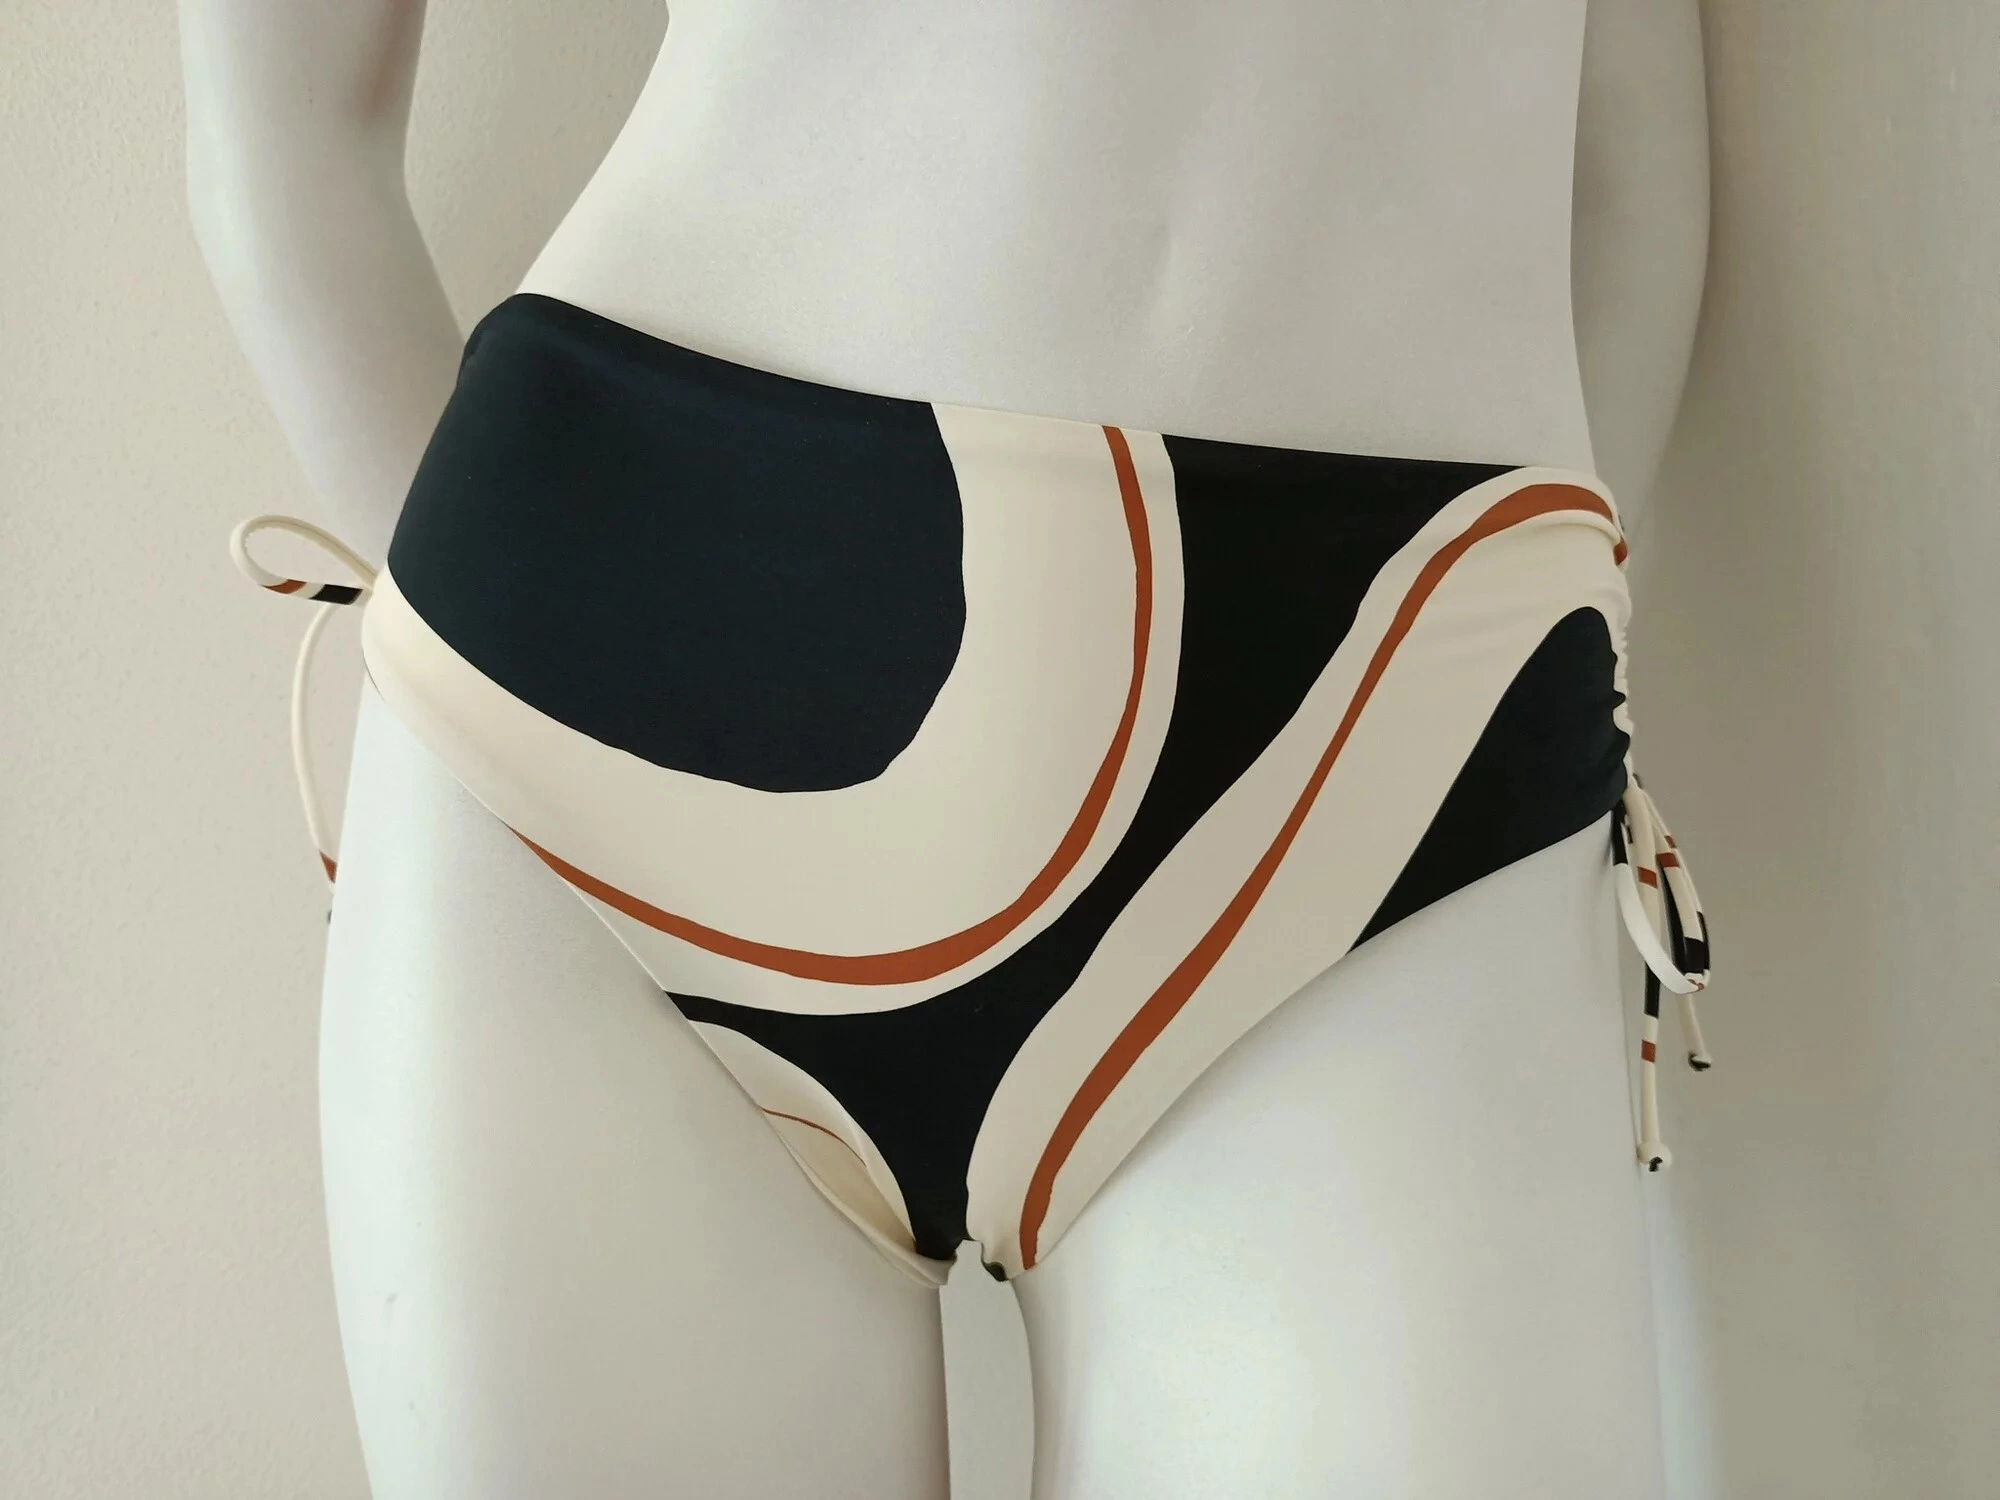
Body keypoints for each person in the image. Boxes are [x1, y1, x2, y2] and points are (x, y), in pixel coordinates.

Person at [181, 2, 1710, 1493]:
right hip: (613, 676)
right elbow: (280, 143)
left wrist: (1510, 667)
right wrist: (521, 675)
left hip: (1415, 718)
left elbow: (1632, 173)